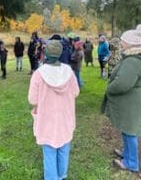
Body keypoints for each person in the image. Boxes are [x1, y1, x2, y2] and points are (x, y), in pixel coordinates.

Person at [101, 25, 141, 173]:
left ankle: (132, 163)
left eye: (123, 41)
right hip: (134, 100)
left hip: (132, 102)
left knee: (130, 132)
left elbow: (123, 84)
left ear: (130, 43)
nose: (121, 43)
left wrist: (109, 88)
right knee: (128, 129)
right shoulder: (136, 57)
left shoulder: (133, 61)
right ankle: (127, 154)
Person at [28, 40, 80, 180]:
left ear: (45, 53)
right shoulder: (69, 71)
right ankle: (61, 175)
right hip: (65, 117)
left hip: (47, 119)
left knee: (49, 151)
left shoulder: (38, 74)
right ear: (60, 53)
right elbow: (76, 92)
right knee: (64, 148)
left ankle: (52, 177)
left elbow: (32, 100)